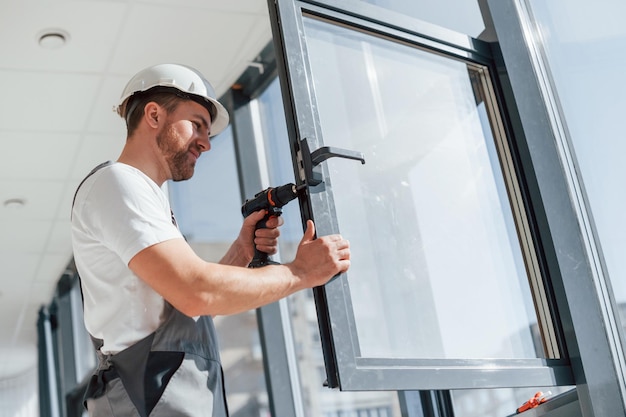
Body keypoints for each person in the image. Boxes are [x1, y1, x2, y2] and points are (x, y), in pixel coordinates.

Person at [71, 63, 351, 417]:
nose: (205, 142)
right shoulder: (118, 183)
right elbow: (195, 293)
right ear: (154, 115)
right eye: (197, 125)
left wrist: (241, 251)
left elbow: (187, 309)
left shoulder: (147, 198)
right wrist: (301, 273)